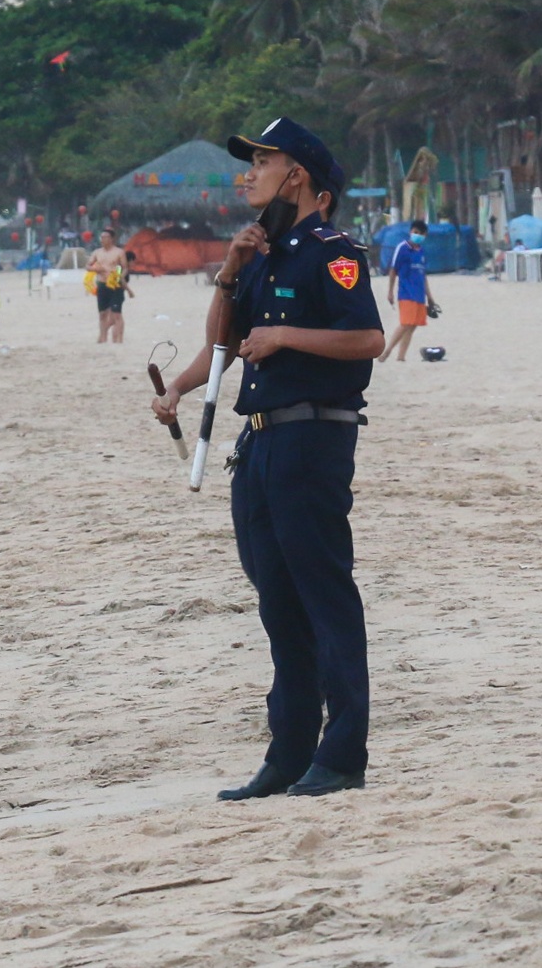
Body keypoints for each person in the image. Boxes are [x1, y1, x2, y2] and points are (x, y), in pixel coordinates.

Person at [152, 116, 382, 801]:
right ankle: (287, 751)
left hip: (312, 436)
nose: (246, 173)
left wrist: (284, 333)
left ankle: (342, 751)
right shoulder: (262, 253)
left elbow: (366, 337)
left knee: (322, 593)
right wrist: (228, 272)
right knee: (275, 598)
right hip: (257, 441)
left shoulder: (330, 251)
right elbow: (223, 341)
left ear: (298, 176)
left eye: (261, 160)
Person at [379, 220, 437, 362]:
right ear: (411, 232)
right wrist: (390, 292)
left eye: (421, 233)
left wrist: (430, 298)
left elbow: (423, 277)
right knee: (406, 323)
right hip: (406, 293)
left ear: (425, 235)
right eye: (415, 232)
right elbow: (393, 270)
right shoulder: (402, 248)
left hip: (419, 294)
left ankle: (401, 356)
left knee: (412, 325)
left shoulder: (422, 252)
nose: (417, 235)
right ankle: (387, 351)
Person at [88, 229, 128, 343]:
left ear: (111, 239)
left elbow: (124, 267)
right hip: (101, 283)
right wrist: (95, 268)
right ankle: (103, 337)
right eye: (101, 237)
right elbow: (88, 265)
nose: (103, 240)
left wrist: (120, 275)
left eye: (105, 237)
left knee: (116, 313)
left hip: (114, 284)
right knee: (102, 313)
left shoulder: (119, 252)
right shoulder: (97, 252)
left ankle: (119, 339)